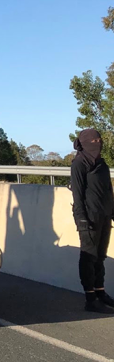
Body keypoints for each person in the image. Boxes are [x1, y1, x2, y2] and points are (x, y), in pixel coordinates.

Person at [70, 128, 114, 313]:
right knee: (89, 257)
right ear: (85, 142)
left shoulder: (102, 164)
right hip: (88, 217)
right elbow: (78, 194)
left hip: (104, 216)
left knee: (100, 257)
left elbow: (108, 191)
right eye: (93, 141)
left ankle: (100, 292)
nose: (97, 143)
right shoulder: (79, 163)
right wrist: (81, 218)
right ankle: (90, 298)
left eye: (99, 140)